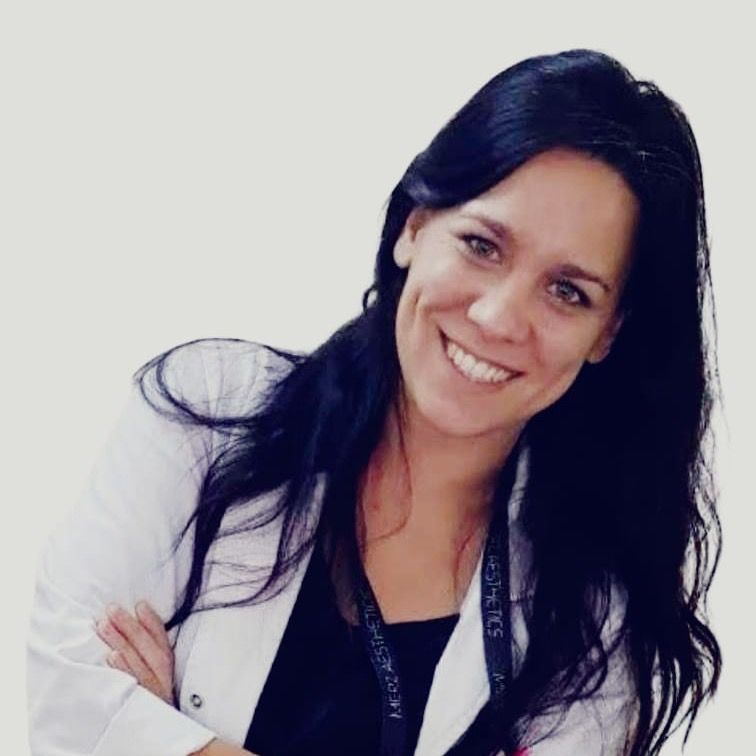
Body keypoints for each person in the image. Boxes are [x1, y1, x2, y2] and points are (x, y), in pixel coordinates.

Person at [27, 48, 721, 756]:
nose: (498, 317)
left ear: (608, 332)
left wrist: (161, 734)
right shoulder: (207, 416)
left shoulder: (593, 623)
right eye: (482, 245)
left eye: (567, 291)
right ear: (414, 227)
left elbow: (105, 727)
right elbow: (65, 691)